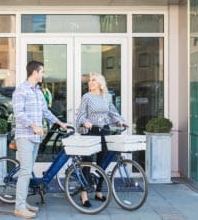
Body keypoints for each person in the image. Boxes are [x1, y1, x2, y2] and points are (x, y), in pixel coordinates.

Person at [12, 60, 71, 219]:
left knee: (28, 170)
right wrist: (33, 125)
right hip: (25, 136)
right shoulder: (21, 90)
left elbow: (46, 111)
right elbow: (19, 114)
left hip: (36, 137)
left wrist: (60, 123)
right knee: (25, 171)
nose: (43, 75)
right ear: (35, 72)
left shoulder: (38, 91)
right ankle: (19, 207)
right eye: (42, 72)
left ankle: (23, 203)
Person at [74, 72, 128, 207]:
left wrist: (120, 122)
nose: (90, 82)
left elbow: (112, 112)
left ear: (100, 83)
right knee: (87, 162)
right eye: (89, 81)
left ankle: (98, 191)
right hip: (91, 131)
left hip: (104, 131)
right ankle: (84, 194)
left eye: (93, 80)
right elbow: (81, 115)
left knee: (102, 163)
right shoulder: (86, 97)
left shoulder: (107, 96)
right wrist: (85, 122)